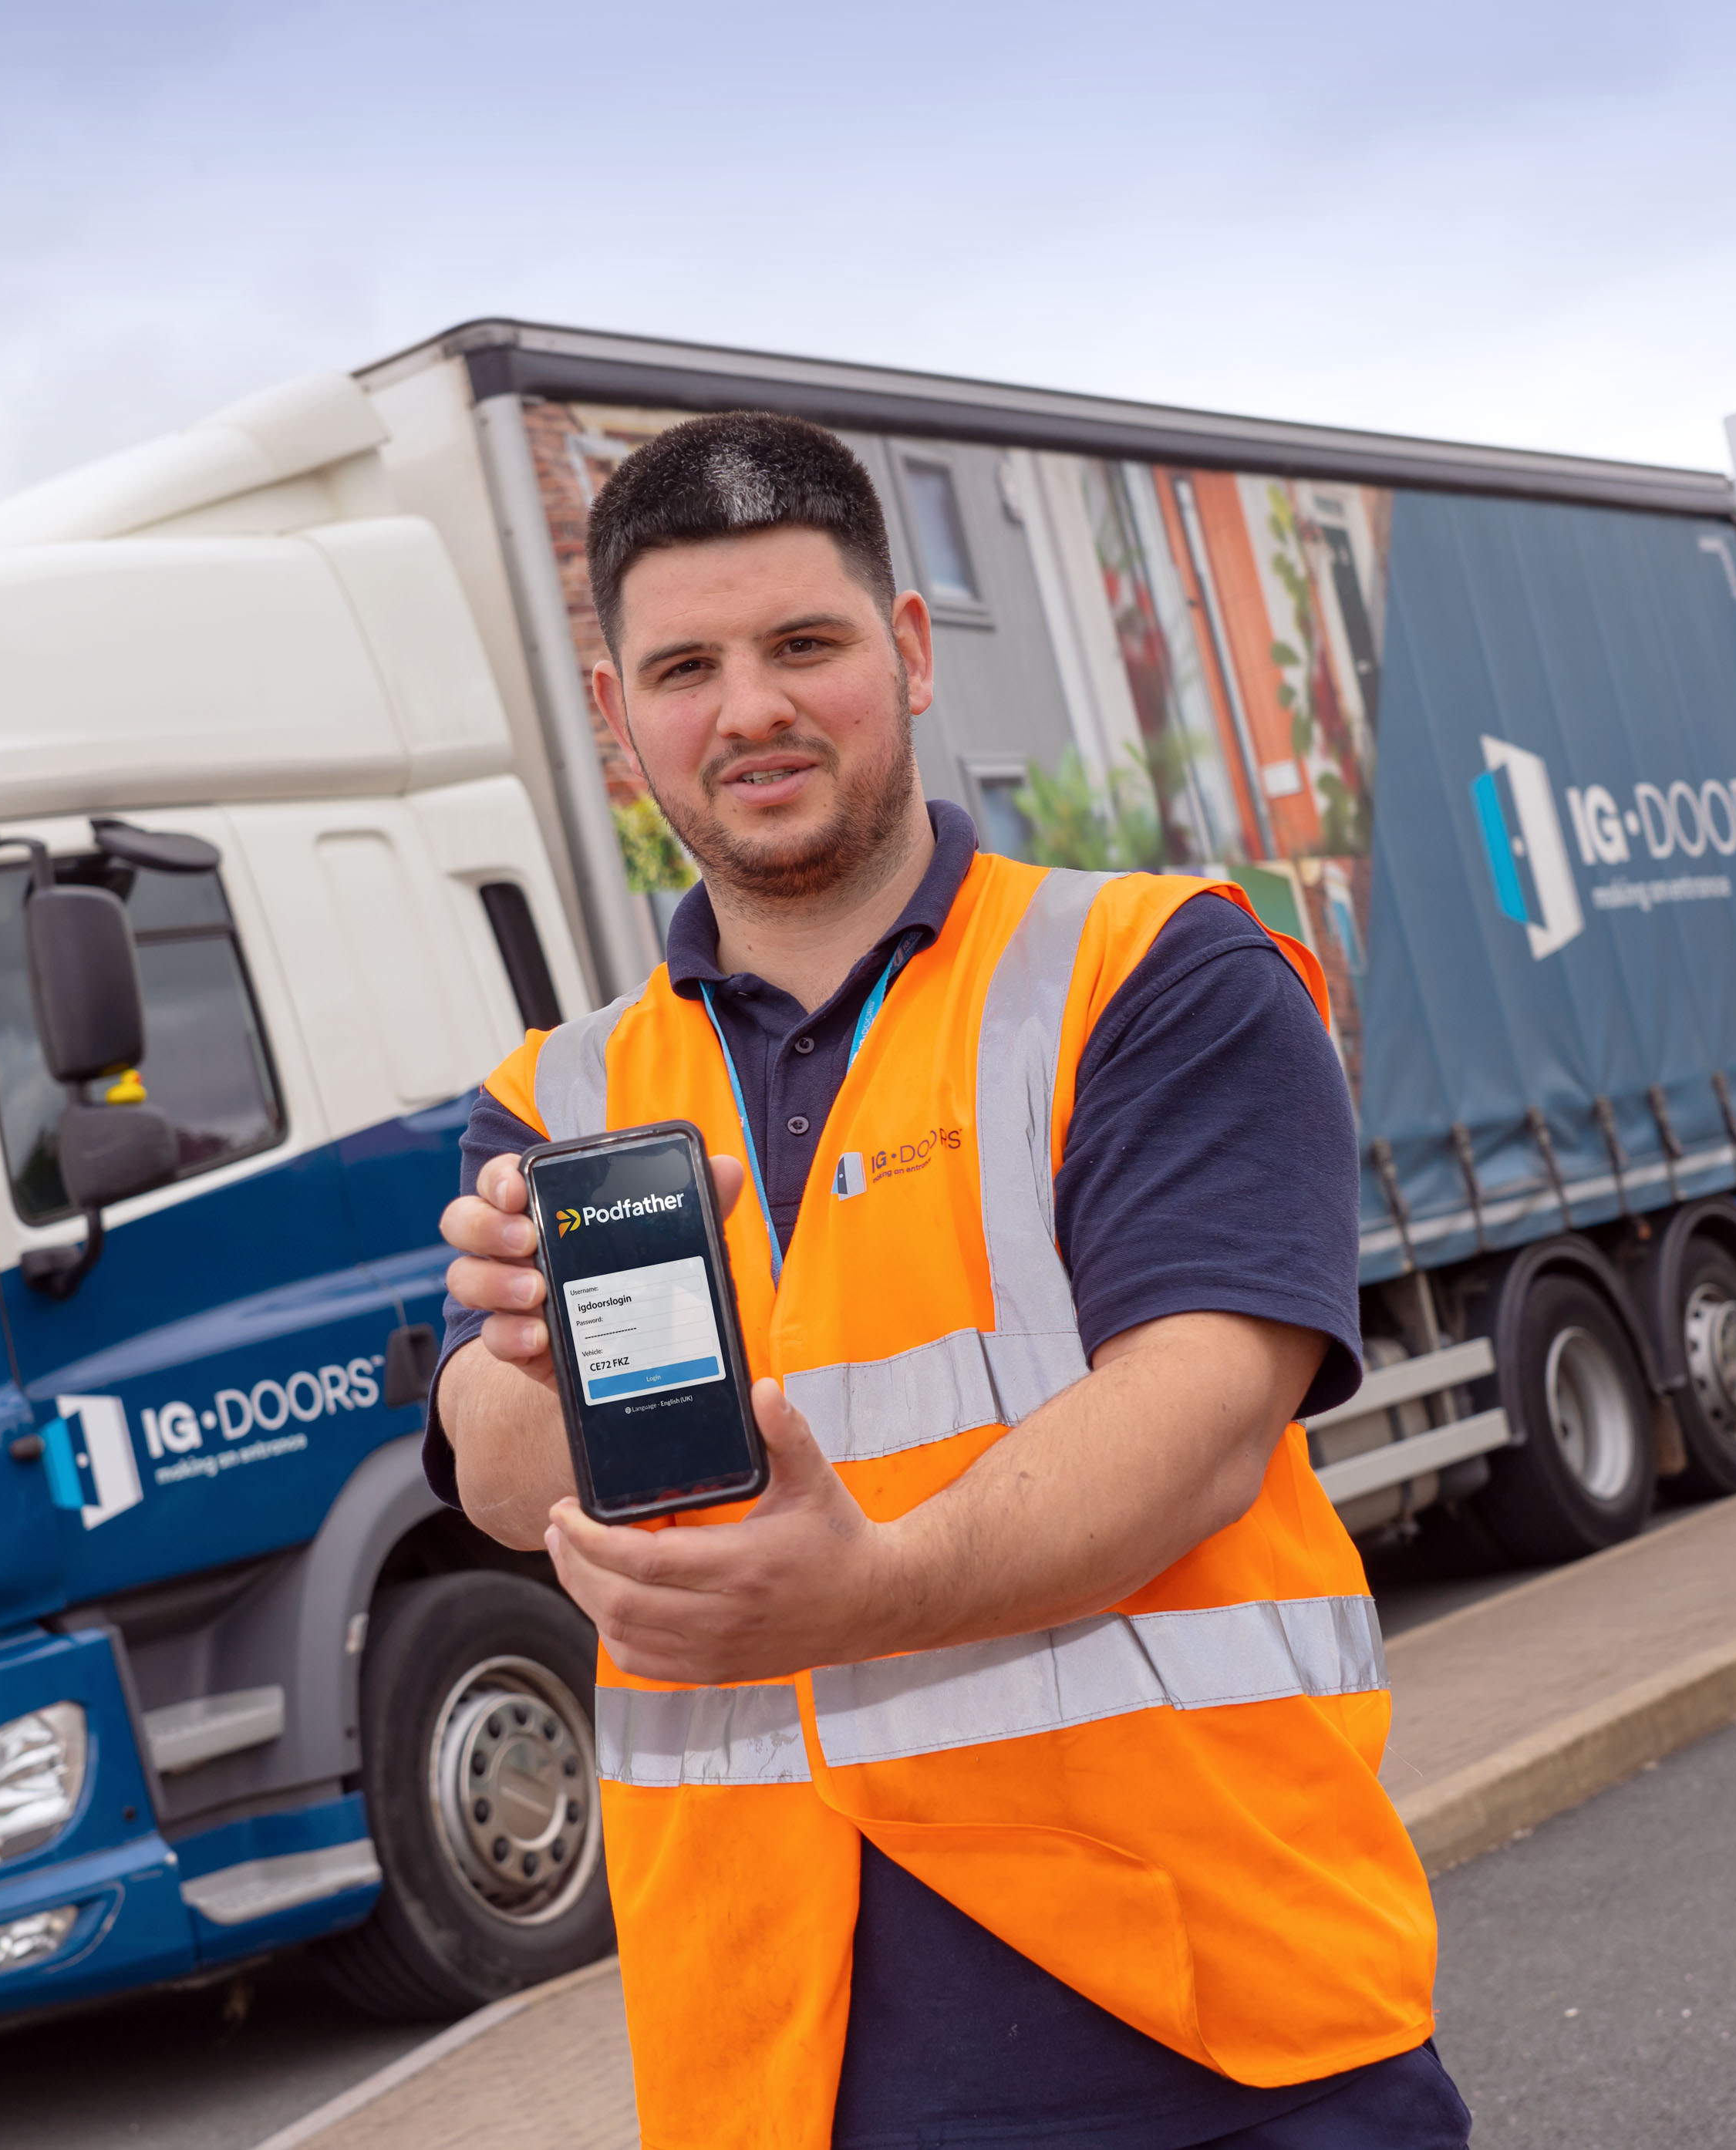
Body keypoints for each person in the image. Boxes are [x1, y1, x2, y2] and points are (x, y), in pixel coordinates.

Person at [428, 411, 1465, 2150]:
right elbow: (493, 1473)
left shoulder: (1150, 971)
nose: (745, 706)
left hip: (1217, 2044)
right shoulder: (560, 1096)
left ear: (904, 654)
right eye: (682, 664)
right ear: (620, 721)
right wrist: (532, 1372)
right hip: (777, 2075)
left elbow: (1203, 1409)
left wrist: (871, 1586)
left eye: (802, 644)